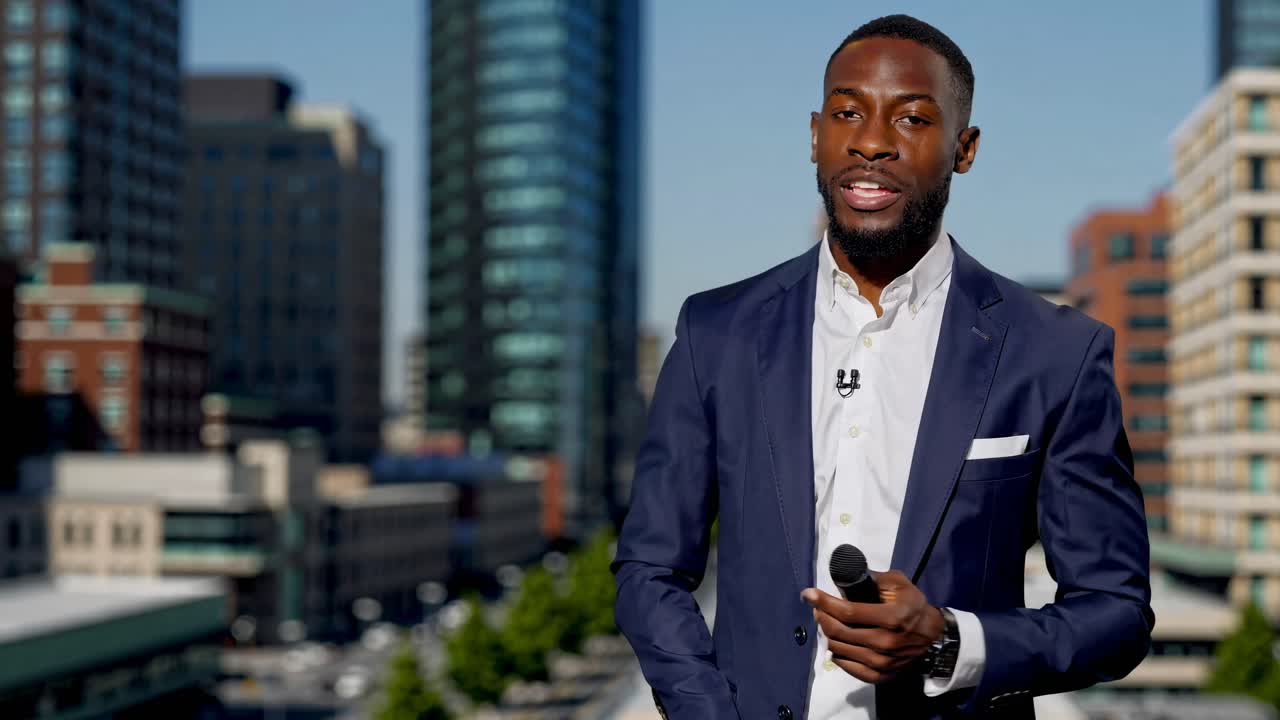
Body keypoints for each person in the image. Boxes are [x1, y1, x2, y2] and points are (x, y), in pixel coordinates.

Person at [612, 13, 1154, 720]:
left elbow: (1115, 613)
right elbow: (650, 569)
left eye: (912, 119)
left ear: (964, 149)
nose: (870, 142)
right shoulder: (717, 331)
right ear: (815, 135)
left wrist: (949, 643)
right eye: (847, 113)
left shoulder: (1055, 351)